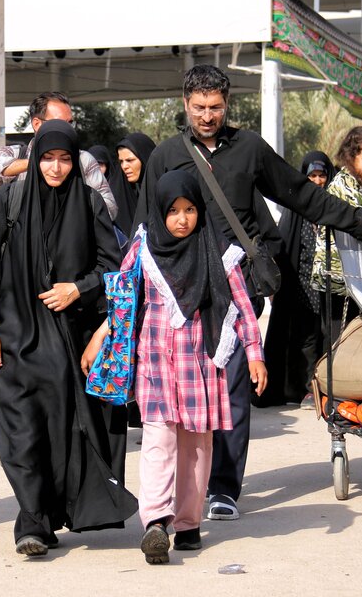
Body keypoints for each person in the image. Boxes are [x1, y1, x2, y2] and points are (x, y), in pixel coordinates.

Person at [136, 64, 362, 521]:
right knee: (181, 398)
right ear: (185, 105)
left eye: (215, 107)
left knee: (232, 386)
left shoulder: (250, 148)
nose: (208, 116)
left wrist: (359, 218)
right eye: (199, 108)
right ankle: (177, 493)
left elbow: (301, 195)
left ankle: (224, 488)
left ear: (227, 103)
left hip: (236, 290)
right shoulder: (165, 156)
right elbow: (144, 228)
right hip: (180, 297)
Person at [0, 119, 135, 557]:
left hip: (67, 341)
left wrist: (77, 288)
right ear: (35, 157)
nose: (56, 168)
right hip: (14, 336)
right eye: (47, 158)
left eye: (65, 159)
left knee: (61, 433)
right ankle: (32, 520)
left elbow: (113, 266)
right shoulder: (10, 199)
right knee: (20, 431)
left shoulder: (89, 203)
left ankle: (49, 515)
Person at [82, 171, 265, 564]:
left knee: (197, 446)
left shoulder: (218, 250)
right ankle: (155, 523)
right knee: (157, 440)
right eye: (174, 211)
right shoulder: (144, 249)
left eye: (190, 209)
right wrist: (101, 335)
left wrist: (254, 354)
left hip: (201, 361)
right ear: (159, 211)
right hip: (156, 360)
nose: (182, 219)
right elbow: (123, 299)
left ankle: (188, 522)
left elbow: (243, 307)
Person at [0, 91, 117, 220]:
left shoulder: (83, 160)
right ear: (37, 124)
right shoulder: (18, 153)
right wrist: (31, 163)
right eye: (59, 122)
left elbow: (109, 209)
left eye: (69, 123)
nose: (56, 168)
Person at [259, 151, 331, 407]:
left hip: (328, 287)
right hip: (299, 286)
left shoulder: (333, 209)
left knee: (327, 336)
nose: (318, 180)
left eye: (322, 175)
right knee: (304, 339)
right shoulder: (295, 210)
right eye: (312, 175)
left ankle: (325, 388)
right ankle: (304, 388)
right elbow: (283, 248)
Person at [312, 127, 362, 342]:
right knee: (338, 341)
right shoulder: (341, 185)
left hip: (360, 275)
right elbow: (361, 223)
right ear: (351, 155)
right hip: (339, 278)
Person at [111, 131, 157, 239]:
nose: (124, 166)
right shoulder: (118, 193)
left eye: (130, 160)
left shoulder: (161, 190)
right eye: (121, 161)